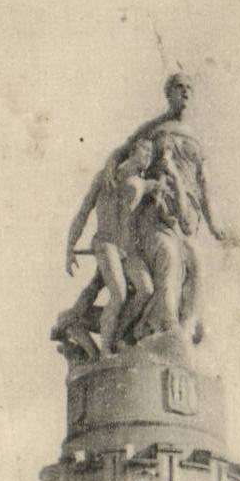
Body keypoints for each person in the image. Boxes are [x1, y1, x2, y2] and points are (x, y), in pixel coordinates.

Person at [65, 137, 160, 354]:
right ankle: (106, 350)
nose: (149, 157)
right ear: (134, 150)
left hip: (126, 249)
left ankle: (117, 336)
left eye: (151, 154)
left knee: (146, 289)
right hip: (105, 242)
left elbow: (163, 191)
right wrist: (69, 247)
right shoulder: (105, 177)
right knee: (118, 293)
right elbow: (83, 212)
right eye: (146, 151)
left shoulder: (143, 184)